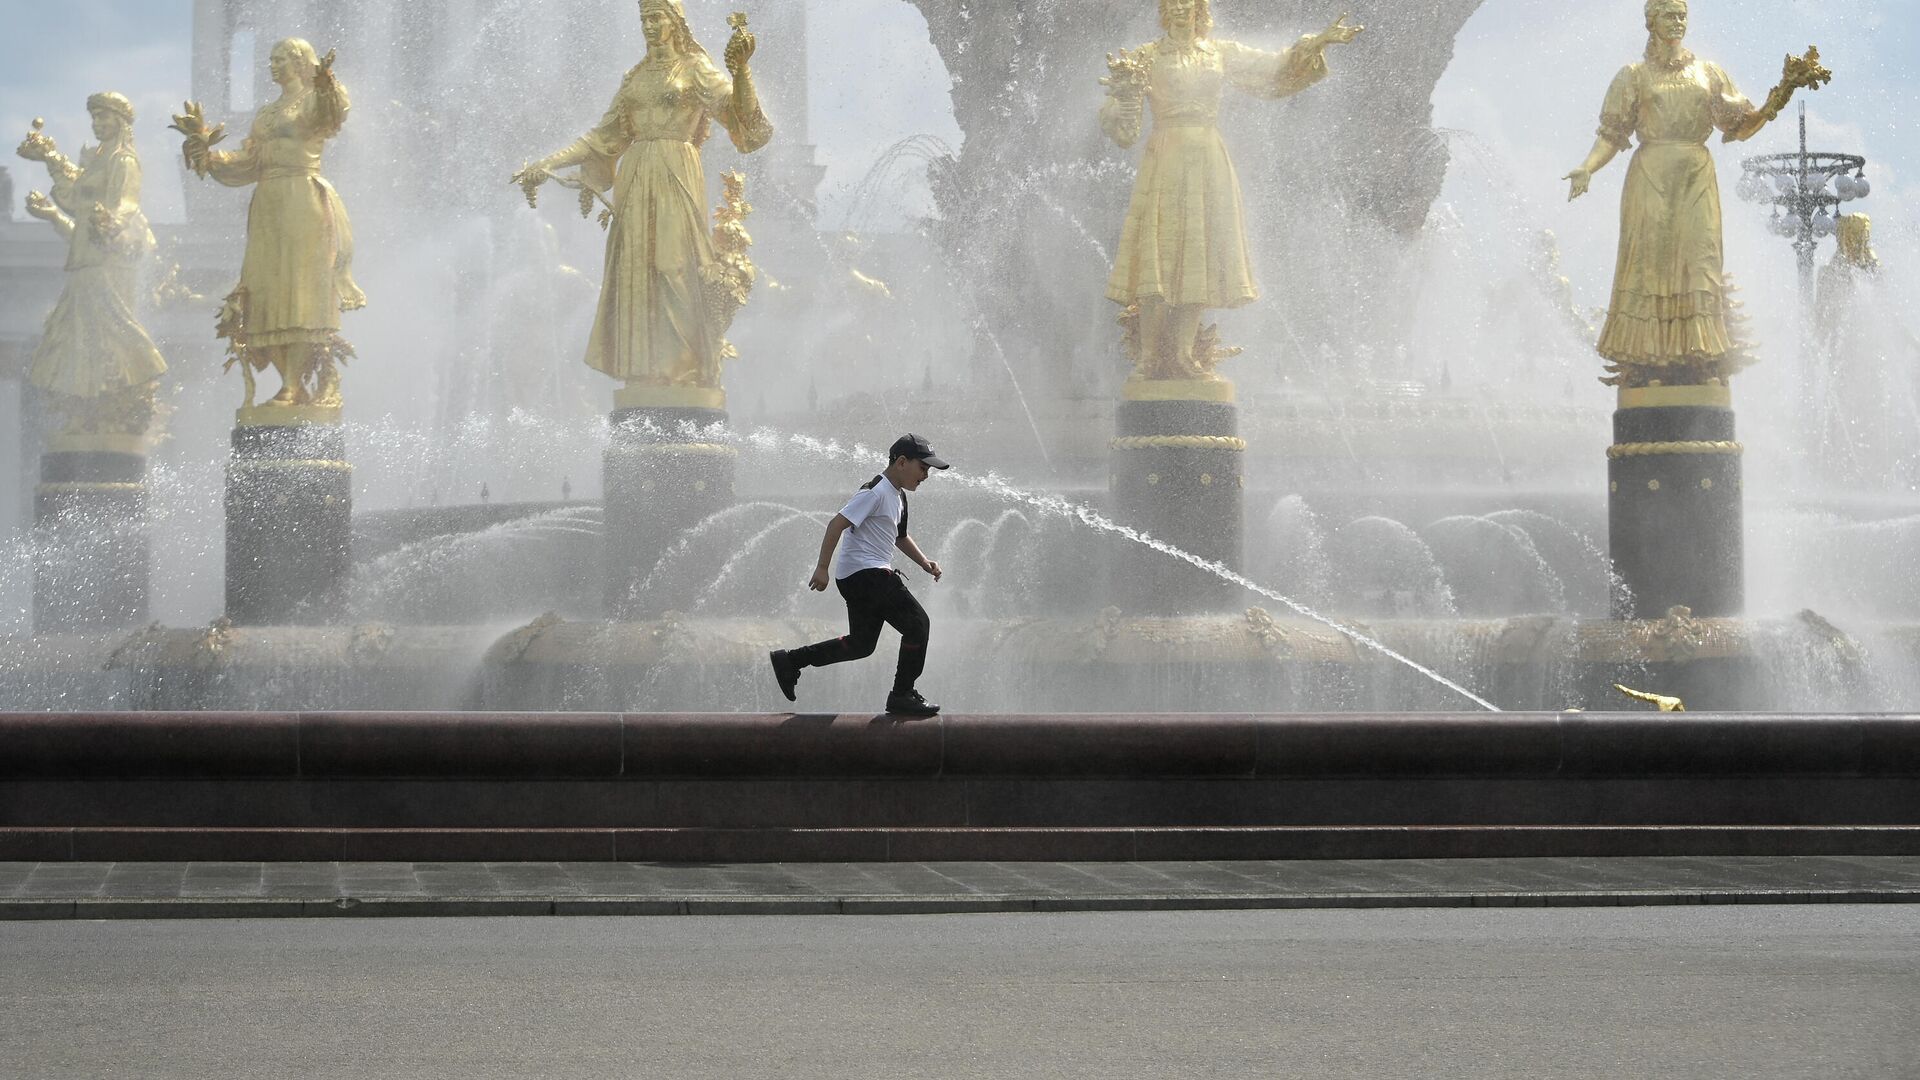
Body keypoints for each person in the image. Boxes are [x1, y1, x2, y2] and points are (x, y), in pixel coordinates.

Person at [512, 0, 771, 393]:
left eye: (656, 18)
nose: (649, 26)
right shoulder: (633, 79)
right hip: (634, 177)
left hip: (676, 169)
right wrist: (547, 163)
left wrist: (741, 71)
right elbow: (601, 138)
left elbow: (741, 121)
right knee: (637, 269)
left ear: (674, 22)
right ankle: (646, 370)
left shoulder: (694, 68)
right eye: (643, 19)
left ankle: (685, 370)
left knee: (674, 265)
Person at [1564, 0, 1827, 387]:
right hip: (1650, 174)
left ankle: (1698, 359)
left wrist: (1782, 92)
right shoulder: (1633, 76)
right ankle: (1647, 361)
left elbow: (1739, 126)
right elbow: (1611, 135)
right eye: (1670, 14)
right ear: (1651, 21)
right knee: (1649, 266)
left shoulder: (1708, 73)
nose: (1679, 21)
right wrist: (1587, 167)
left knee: (1701, 262)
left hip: (1696, 175)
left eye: (1683, 15)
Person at [1100, 0, 1362, 380]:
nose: (1178, 9)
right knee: (1159, 253)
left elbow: (1274, 69)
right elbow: (1122, 122)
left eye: (1186, 3)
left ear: (1199, 9)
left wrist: (1317, 42)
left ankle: (1183, 352)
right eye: (1171, 3)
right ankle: (1149, 357)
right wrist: (1116, 106)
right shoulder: (1146, 56)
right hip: (1165, 157)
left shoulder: (1220, 53)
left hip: (1208, 159)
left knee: (1198, 256)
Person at [177, 38, 365, 408]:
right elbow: (251, 162)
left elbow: (333, 113)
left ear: (300, 63)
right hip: (268, 203)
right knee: (265, 291)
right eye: (271, 60)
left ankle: (293, 386)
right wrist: (210, 156)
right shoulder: (265, 114)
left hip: (303, 200)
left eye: (280, 59)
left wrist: (326, 82)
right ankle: (287, 382)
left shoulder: (314, 98)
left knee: (300, 292)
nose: (273, 65)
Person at [771, 434, 950, 717]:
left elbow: (899, 537)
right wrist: (821, 567)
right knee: (918, 625)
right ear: (902, 462)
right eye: (923, 468)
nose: (926, 475)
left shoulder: (899, 495)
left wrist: (924, 562)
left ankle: (792, 661)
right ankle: (902, 694)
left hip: (859, 577)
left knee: (861, 645)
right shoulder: (875, 491)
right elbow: (836, 524)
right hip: (867, 574)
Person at [18, 93, 167, 425]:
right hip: (86, 258)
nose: (98, 124)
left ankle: (131, 381)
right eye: (95, 119)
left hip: (111, 255)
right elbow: (76, 202)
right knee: (78, 331)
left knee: (112, 324)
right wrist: (53, 212)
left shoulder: (123, 160)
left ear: (121, 121)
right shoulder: (96, 159)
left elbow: (127, 202)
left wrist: (112, 221)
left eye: (105, 118)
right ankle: (89, 406)